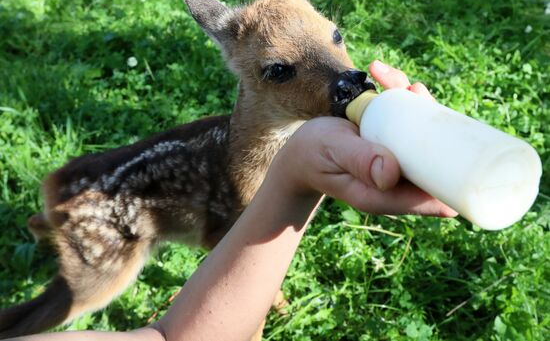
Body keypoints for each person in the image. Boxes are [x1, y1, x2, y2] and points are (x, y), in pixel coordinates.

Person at [9, 61, 457, 341]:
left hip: (86, 184)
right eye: (279, 72)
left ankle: (49, 225)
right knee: (77, 300)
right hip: (110, 213)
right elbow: (219, 239)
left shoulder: (241, 143)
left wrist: (302, 172)